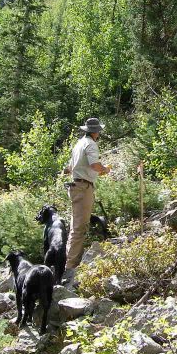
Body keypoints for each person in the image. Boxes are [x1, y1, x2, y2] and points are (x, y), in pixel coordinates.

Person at [62, 118, 110, 283]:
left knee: (77, 225)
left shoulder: (79, 143)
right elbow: (95, 165)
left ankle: (69, 263)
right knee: (79, 227)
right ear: (96, 132)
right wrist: (105, 169)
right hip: (83, 188)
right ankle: (69, 268)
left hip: (77, 186)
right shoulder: (91, 144)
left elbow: (68, 168)